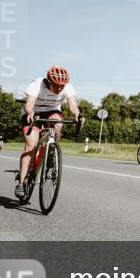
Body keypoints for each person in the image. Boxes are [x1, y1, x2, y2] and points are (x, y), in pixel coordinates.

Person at [16, 66, 82, 198]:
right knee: (31, 146)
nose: (59, 89)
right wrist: (31, 112)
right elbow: (28, 106)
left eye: (61, 86)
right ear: (48, 82)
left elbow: (73, 106)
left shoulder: (68, 87)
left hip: (52, 111)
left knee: (57, 125)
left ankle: (51, 153)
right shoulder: (37, 85)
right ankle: (21, 183)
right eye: (56, 86)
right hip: (34, 112)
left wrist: (77, 115)